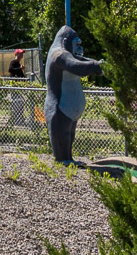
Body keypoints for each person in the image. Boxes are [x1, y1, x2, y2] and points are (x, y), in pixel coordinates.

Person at [44, 26, 104, 164]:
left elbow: (81, 60)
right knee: (62, 136)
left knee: (69, 136)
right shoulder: (59, 55)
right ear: (65, 41)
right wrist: (96, 66)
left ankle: (68, 159)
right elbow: (76, 66)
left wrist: (99, 66)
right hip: (59, 107)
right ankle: (63, 161)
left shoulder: (67, 53)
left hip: (68, 108)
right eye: (77, 44)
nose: (79, 48)